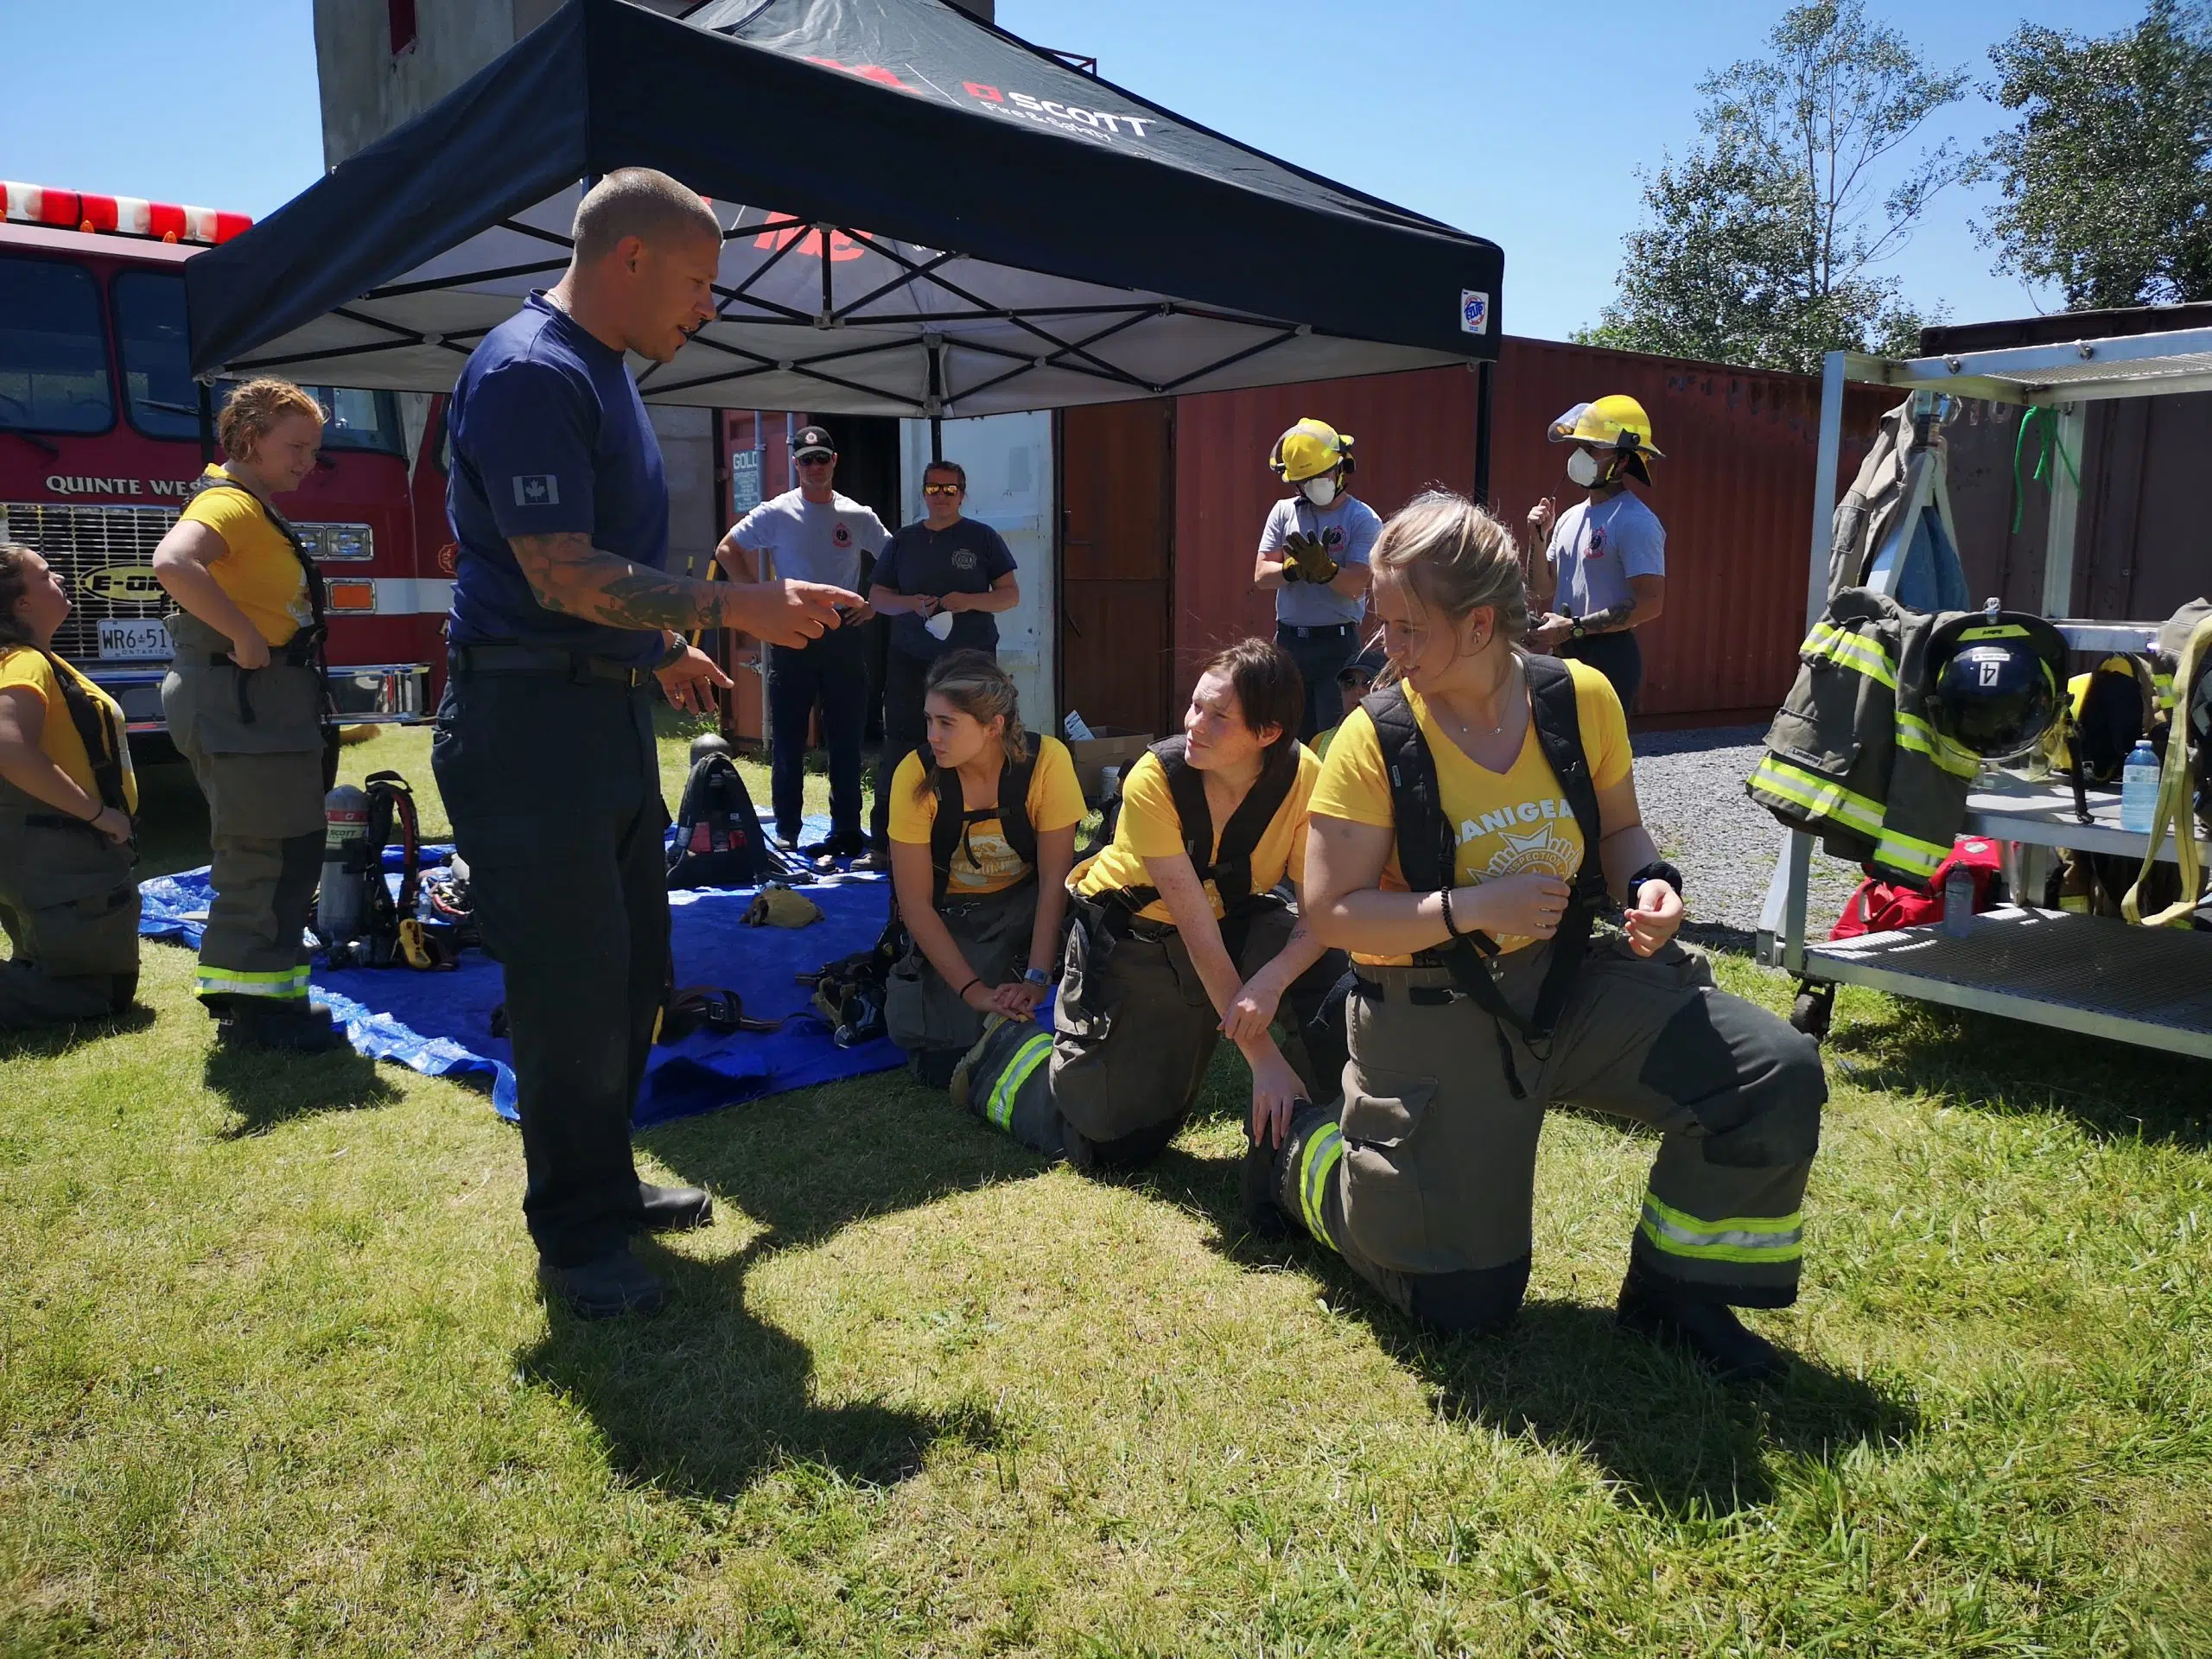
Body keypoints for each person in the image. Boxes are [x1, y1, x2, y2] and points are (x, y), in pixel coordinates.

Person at [1251, 492, 1825, 1383]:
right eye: (1382, 623)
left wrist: (1653, 885)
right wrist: (1471, 909)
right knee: (1460, 1304)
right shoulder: (1374, 737)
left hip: (1567, 988)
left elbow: (1621, 834)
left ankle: (1678, 1296)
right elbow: (1331, 913)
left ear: (1480, 624)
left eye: (1407, 629)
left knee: (1770, 1072)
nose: (1383, 649)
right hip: (1431, 1009)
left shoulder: (1577, 697)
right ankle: (1307, 1155)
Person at [436, 168, 858, 1319]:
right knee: (569, 988)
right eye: (697, 280)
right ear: (628, 258)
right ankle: (576, 1243)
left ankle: (608, 1187)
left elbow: (587, 579)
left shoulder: (601, 370)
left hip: (601, 710)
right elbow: (558, 572)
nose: (708, 307)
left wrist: (658, 657)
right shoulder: (531, 371)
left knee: (630, 976)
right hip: (531, 731)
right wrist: (729, 612)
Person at [956, 639, 1350, 1173]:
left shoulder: (1303, 776)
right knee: (1113, 1144)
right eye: (1195, 705)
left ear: (1269, 734)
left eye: (1218, 717)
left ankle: (1306, 1129)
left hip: (1235, 920)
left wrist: (1272, 980)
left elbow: (1321, 914)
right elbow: (1196, 932)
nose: (1194, 724)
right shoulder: (1153, 778)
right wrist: (1262, 1058)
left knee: (1338, 980)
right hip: (1142, 937)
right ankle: (1005, 1057)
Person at [152, 378, 346, 1052]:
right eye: (294, 446)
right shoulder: (230, 505)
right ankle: (257, 1015)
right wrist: (241, 633)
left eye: (314, 450)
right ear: (248, 437)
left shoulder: (249, 505)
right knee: (262, 851)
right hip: (245, 705)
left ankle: (273, 999)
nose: (306, 462)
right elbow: (174, 563)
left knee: (289, 848)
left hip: (267, 708)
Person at [885, 651, 1080, 1085]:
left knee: (1105, 900)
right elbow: (915, 906)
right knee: (940, 1049)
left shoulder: (1046, 760)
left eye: (947, 723)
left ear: (993, 726)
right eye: (929, 720)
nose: (933, 736)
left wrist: (1037, 976)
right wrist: (974, 993)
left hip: (1031, 904)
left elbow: (1055, 881)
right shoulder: (914, 775)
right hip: (957, 916)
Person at [715, 425, 887, 862]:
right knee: (789, 739)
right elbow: (726, 550)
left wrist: (875, 604)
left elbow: (895, 560)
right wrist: (756, 600)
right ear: (795, 464)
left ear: (834, 462)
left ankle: (847, 828)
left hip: (842, 634)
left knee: (845, 738)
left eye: (822, 459)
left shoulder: (856, 515)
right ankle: (787, 830)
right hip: (791, 634)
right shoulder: (775, 512)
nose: (815, 467)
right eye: (806, 460)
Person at [0, 544, 140, 1029]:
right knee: (96, 990)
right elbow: (9, 748)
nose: (60, 577)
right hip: (58, 843)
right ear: (22, 603)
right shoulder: (24, 663)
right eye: (45, 573)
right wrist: (99, 816)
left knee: (81, 976)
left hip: (48, 843)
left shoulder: (29, 658)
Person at [867, 459, 1020, 865]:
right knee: (901, 747)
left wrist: (968, 601)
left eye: (950, 490)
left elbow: (1009, 595)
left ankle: (981, 835)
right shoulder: (903, 540)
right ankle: (884, 844)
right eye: (934, 489)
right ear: (923, 492)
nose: (941, 496)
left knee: (977, 746)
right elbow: (877, 597)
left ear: (963, 495)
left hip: (970, 664)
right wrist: (911, 604)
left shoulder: (982, 538)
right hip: (910, 658)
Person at [1525, 396, 1668, 715]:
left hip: (1608, 659)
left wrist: (1575, 626)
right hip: (1563, 656)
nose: (1581, 456)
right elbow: (1542, 589)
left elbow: (1650, 603)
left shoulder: (1636, 521)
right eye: (1579, 447)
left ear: (1623, 460)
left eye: (1592, 449)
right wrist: (1538, 539)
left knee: (1599, 759)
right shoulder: (1569, 517)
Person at [1253, 417, 1379, 741]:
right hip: (1290, 642)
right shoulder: (1284, 512)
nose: (1313, 485)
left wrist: (1326, 571)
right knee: (1285, 738)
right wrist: (1293, 571)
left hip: (1337, 645)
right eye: (1305, 480)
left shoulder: (1362, 518)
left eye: (1321, 475)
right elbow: (1261, 576)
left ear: (1341, 468)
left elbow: (1356, 586)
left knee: (1332, 739)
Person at [1312, 647, 1385, 760]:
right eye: (1349, 682)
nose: (1357, 690)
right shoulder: (1319, 742)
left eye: (1369, 683)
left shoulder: (1398, 743)